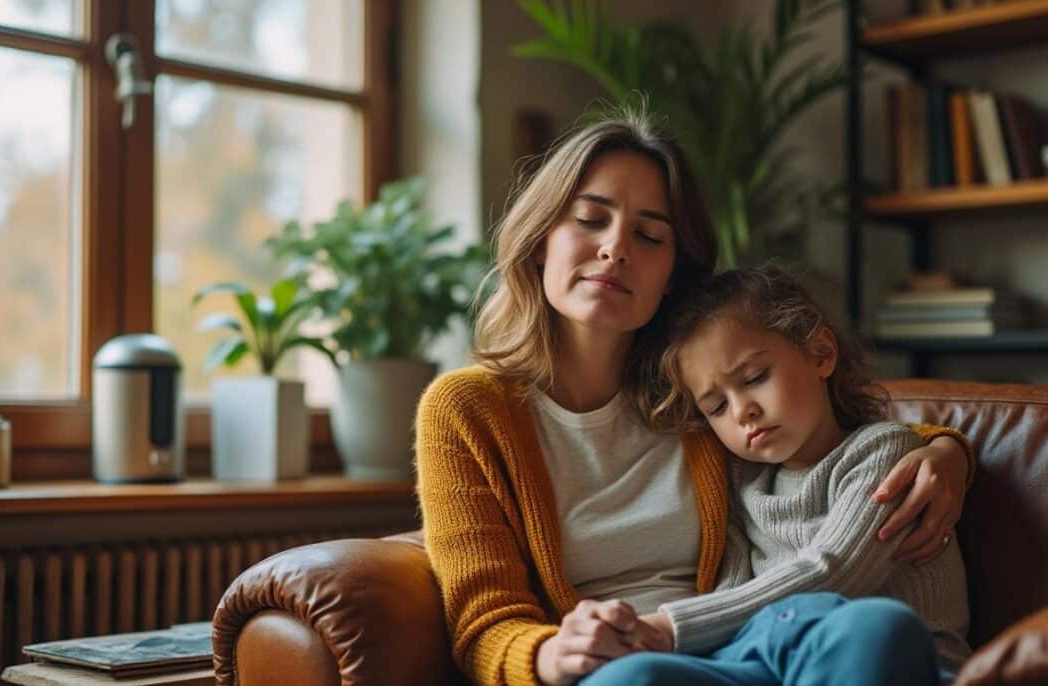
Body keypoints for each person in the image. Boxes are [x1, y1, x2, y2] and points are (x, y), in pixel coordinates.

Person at [415, 108, 975, 686]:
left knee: (874, 630)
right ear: (539, 241)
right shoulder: (466, 411)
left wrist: (943, 450)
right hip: (632, 666)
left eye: (650, 235)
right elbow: (482, 622)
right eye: (589, 220)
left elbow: (825, 437)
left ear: (672, 274)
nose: (615, 249)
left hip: (751, 643)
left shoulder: (689, 396)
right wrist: (554, 654)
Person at [581, 264, 971, 686]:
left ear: (820, 354)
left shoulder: (883, 451)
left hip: (882, 654)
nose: (741, 411)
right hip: (768, 658)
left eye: (754, 378)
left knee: (875, 624)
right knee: (634, 674)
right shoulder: (742, 479)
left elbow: (832, 573)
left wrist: (670, 626)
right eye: (716, 407)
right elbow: (730, 588)